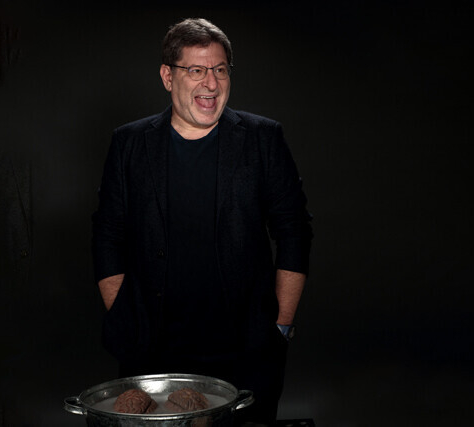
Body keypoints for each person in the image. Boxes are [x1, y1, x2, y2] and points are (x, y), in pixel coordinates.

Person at [92, 18, 312, 425]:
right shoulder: (130, 143)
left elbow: (295, 231)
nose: (211, 83)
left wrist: (280, 325)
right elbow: (107, 235)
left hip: (246, 350)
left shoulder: (263, 138)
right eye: (196, 70)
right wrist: (124, 315)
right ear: (167, 76)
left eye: (220, 69)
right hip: (152, 349)